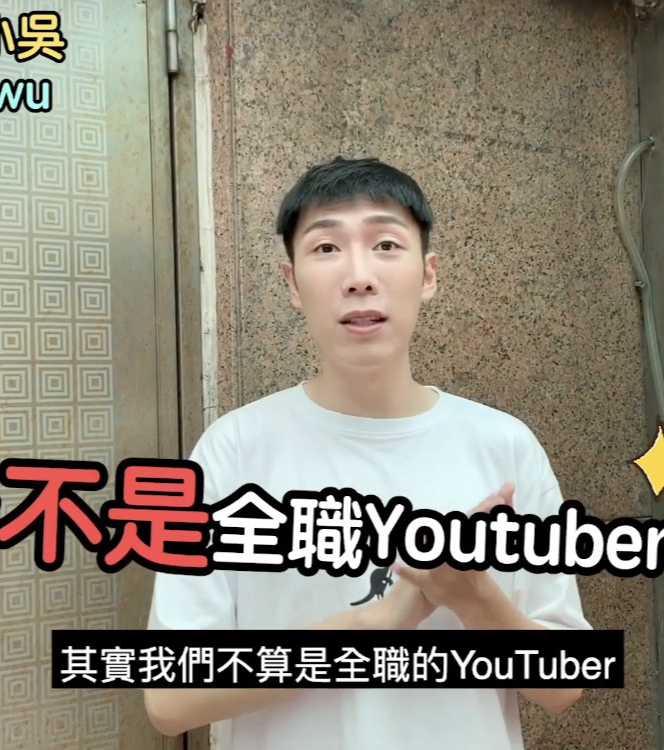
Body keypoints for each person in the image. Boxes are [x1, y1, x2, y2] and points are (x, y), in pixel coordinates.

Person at [144, 157, 592, 750]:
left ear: (428, 274)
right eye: (326, 248)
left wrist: (473, 596)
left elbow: (564, 687)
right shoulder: (234, 452)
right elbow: (171, 699)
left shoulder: (503, 446)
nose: (358, 276)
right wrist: (371, 624)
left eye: (386, 244)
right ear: (292, 282)